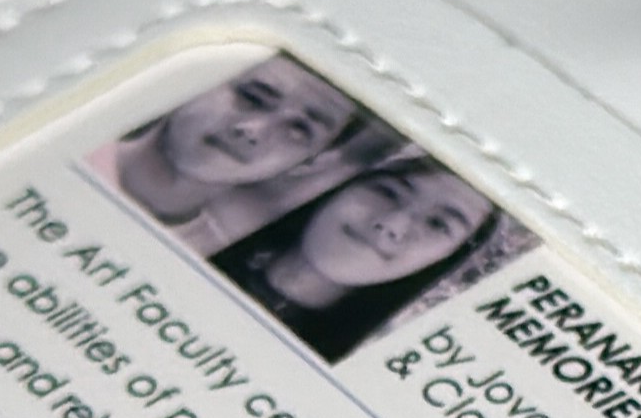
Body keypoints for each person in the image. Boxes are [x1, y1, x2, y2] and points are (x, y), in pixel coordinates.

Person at [214, 155, 500, 362]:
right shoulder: (205, 228)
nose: (391, 224)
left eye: (438, 224)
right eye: (389, 192)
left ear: (447, 259)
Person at [112, 54, 374, 252]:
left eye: (299, 129)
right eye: (252, 96)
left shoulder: (204, 263)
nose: (253, 129)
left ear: (310, 162)